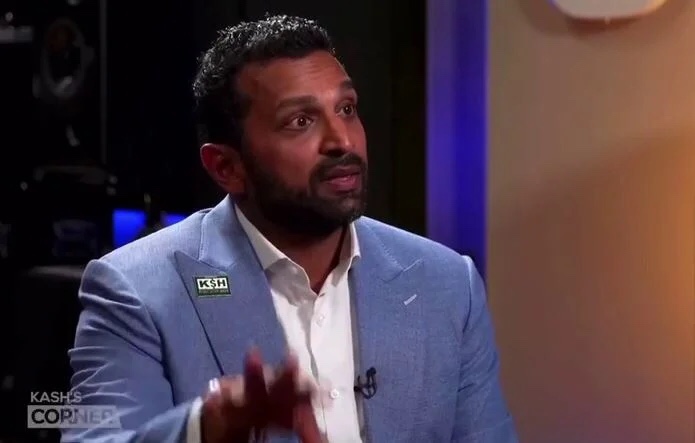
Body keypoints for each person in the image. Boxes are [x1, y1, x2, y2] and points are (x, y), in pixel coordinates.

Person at [62, 15, 518, 443]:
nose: (341, 140)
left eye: (346, 108)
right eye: (300, 121)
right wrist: (208, 426)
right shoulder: (134, 291)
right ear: (226, 167)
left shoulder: (446, 285)